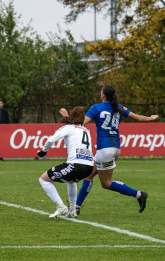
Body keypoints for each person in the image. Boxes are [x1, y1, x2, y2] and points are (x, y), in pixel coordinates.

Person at [74, 85, 159, 215]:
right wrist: (151, 118)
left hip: (105, 150)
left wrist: (69, 120)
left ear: (103, 95)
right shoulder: (119, 108)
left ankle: (139, 194)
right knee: (89, 175)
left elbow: (82, 123)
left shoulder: (96, 107)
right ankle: (76, 207)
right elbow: (139, 118)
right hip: (115, 148)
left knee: (106, 183)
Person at [37, 107, 94, 218]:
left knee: (43, 180)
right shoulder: (85, 130)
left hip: (76, 165)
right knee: (71, 181)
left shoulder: (68, 127)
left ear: (71, 117)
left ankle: (60, 206)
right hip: (89, 167)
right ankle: (72, 210)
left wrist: (43, 151)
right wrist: (66, 117)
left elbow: (51, 140)